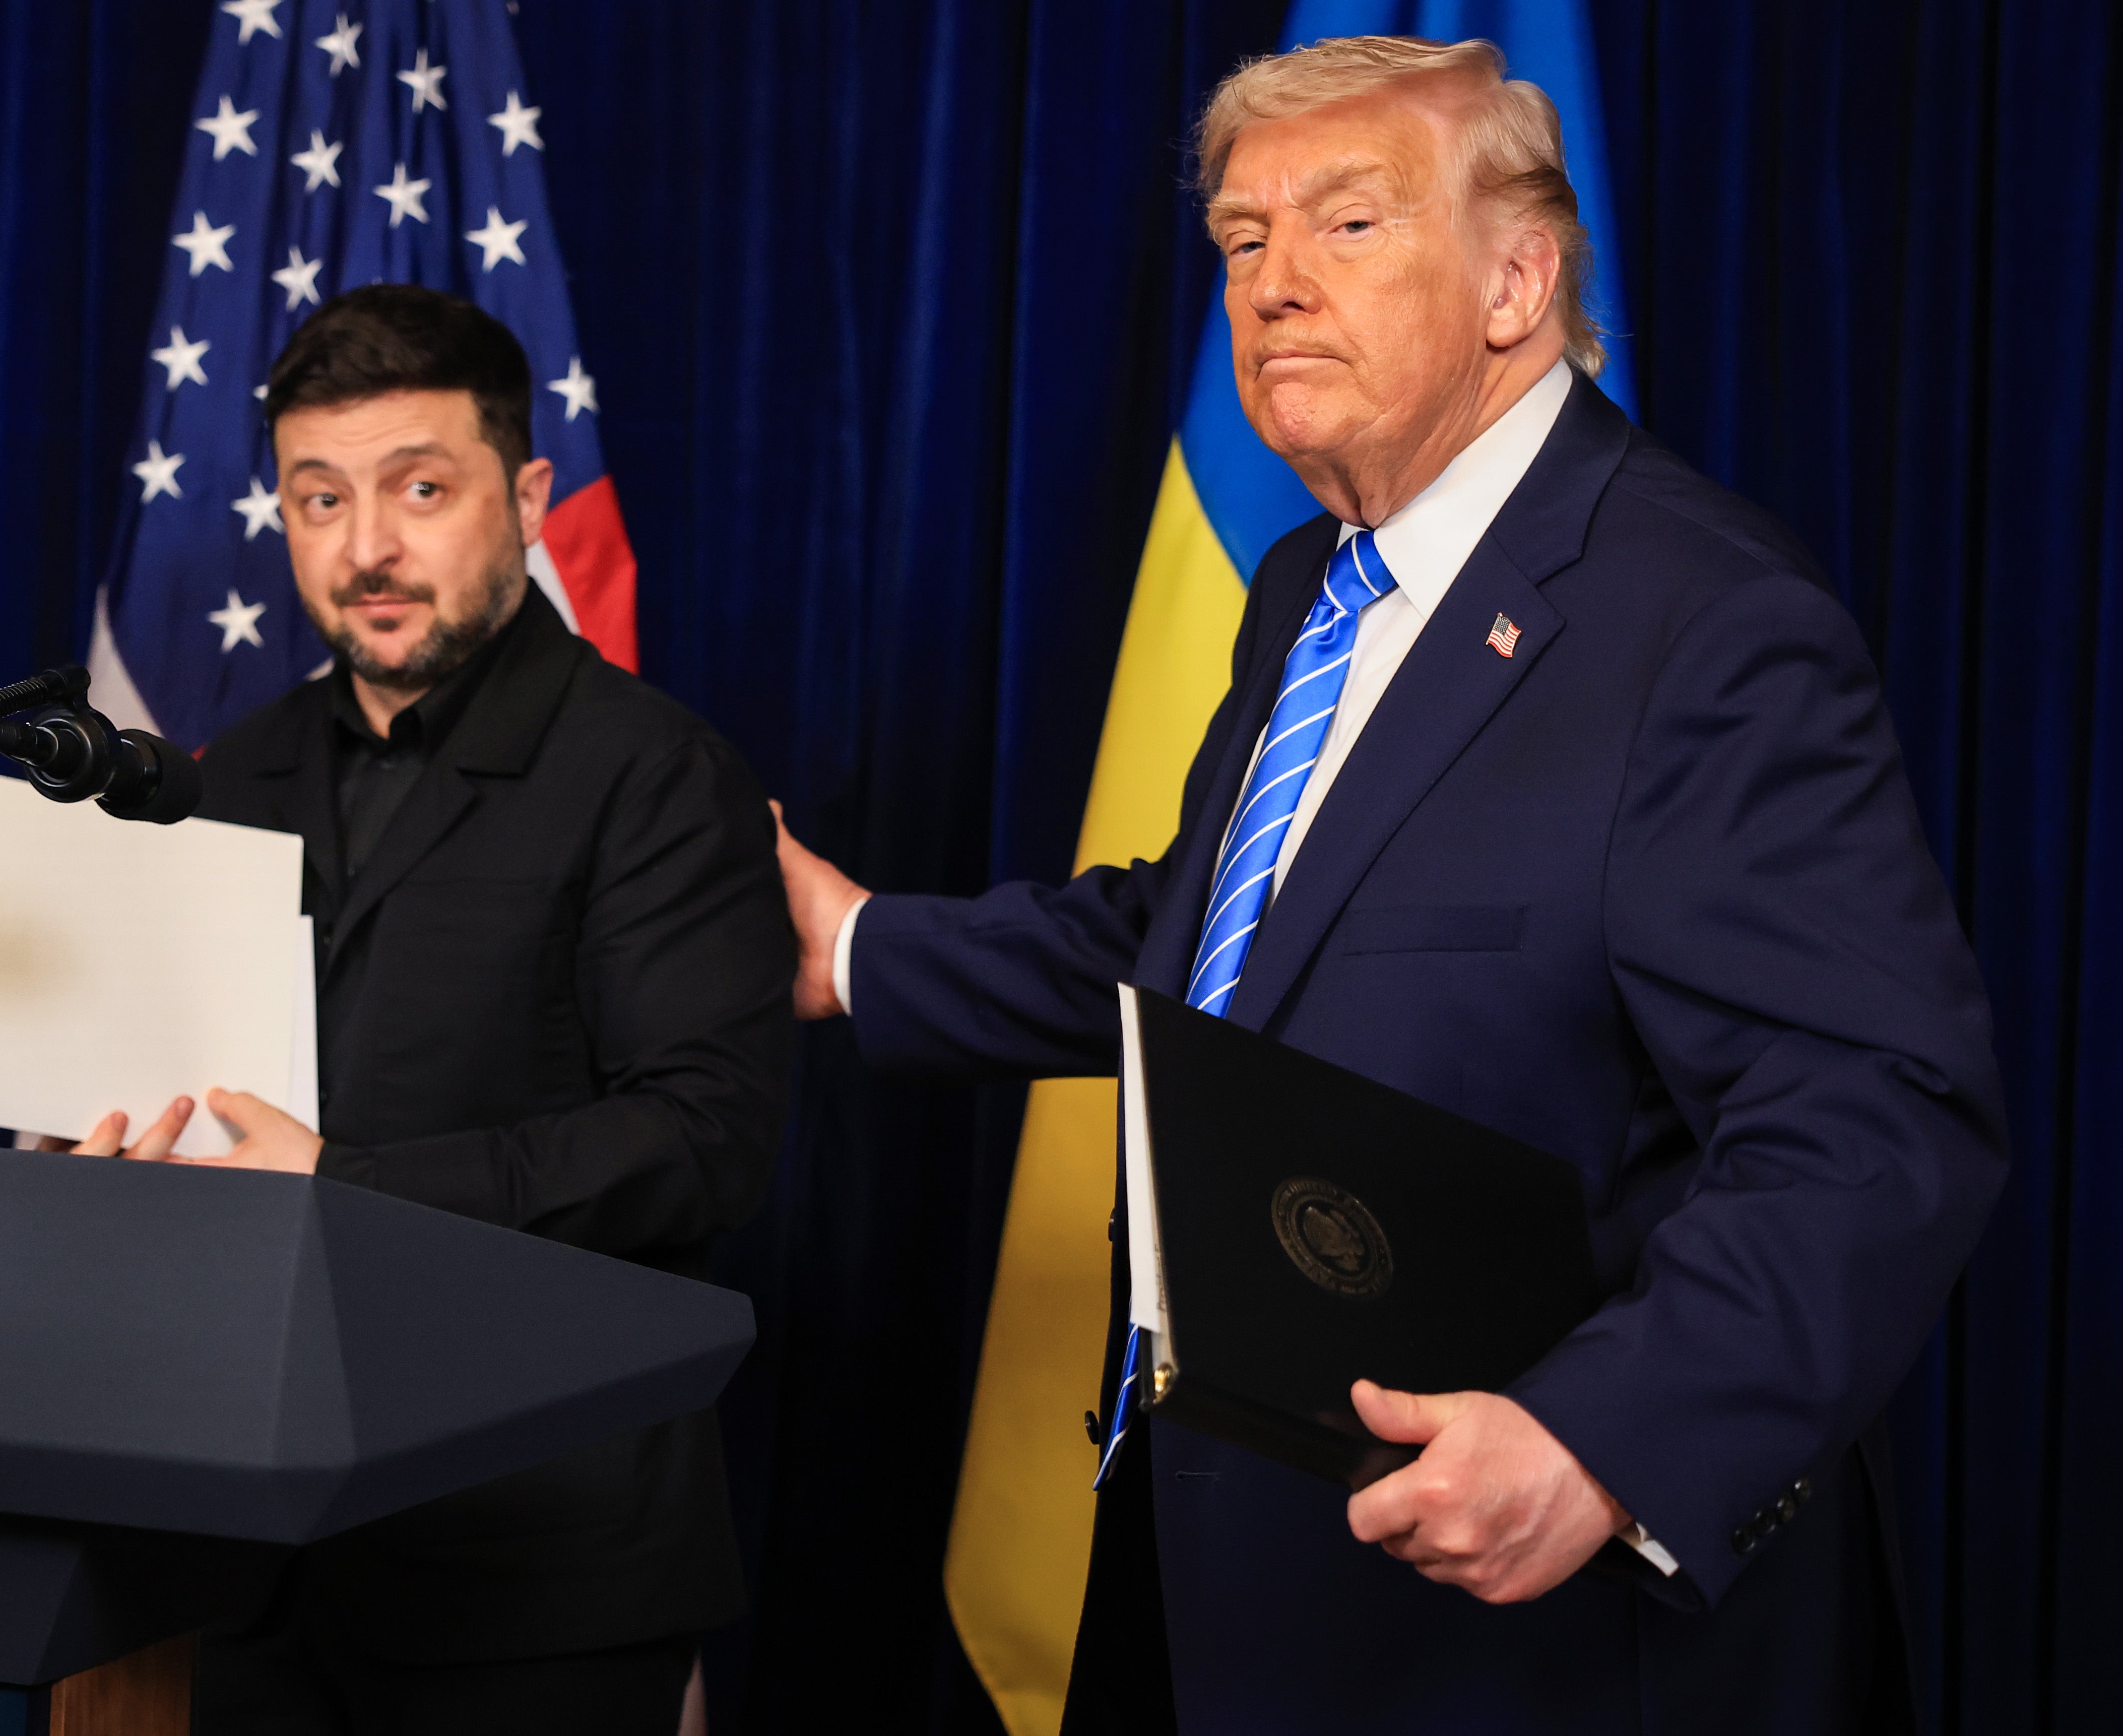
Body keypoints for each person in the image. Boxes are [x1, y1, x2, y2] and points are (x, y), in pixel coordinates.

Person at [773, 36, 2006, 1735]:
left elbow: (1878, 1117)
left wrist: (1602, 1443)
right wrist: (855, 949)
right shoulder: (1311, 582)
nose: (1271, 283)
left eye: (1347, 224)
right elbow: (1218, 943)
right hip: (1214, 1569)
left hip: (1514, 1651)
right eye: (1242, 237)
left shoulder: (1709, 624)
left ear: (1517, 284)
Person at [65, 284, 793, 1735]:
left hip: (540, 1573)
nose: (367, 550)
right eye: (318, 500)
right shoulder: (231, 775)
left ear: (525, 498)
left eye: (419, 489)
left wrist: (343, 1188)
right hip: (254, 1557)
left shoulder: (654, 773)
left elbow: (703, 1142)